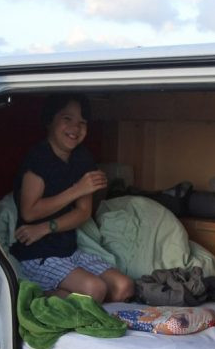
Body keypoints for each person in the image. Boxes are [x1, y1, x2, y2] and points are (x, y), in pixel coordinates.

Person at [10, 93, 134, 304]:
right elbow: (29, 211)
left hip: (68, 250)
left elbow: (83, 212)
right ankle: (38, 297)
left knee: (124, 287)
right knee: (94, 289)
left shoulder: (82, 158)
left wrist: (46, 228)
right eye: (67, 119)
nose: (75, 129)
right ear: (50, 121)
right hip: (36, 254)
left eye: (82, 123)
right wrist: (78, 189)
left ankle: (76, 302)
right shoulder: (39, 157)